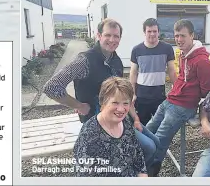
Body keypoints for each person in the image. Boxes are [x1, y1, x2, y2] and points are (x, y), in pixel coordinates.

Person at [43, 18, 160, 168]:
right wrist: (78, 105)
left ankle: (135, 171)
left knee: (156, 142)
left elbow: (123, 94)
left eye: (116, 36)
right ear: (99, 36)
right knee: (149, 148)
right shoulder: (84, 61)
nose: (112, 40)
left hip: (120, 114)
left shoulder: (115, 60)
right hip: (99, 121)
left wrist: (136, 118)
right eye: (108, 35)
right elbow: (51, 87)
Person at [145, 19, 210, 177]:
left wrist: (204, 112)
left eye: (183, 35)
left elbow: (207, 90)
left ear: (192, 35)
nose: (179, 40)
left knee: (160, 139)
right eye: (176, 36)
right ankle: (137, 159)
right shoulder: (183, 54)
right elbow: (182, 78)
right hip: (169, 101)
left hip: (183, 107)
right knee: (148, 129)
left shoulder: (202, 61)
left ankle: (149, 171)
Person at [73, 77, 149, 177]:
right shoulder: (90, 136)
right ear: (103, 102)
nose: (121, 109)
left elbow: (139, 159)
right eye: (115, 103)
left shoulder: (125, 121)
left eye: (125, 103)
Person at [130, 18, 177, 125]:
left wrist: (176, 90)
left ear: (159, 32)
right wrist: (132, 93)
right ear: (144, 33)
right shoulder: (136, 50)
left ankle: (158, 142)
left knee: (160, 125)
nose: (152, 34)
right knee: (142, 125)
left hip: (159, 95)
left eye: (155, 31)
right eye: (149, 31)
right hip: (141, 96)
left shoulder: (167, 48)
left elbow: (172, 70)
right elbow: (133, 73)